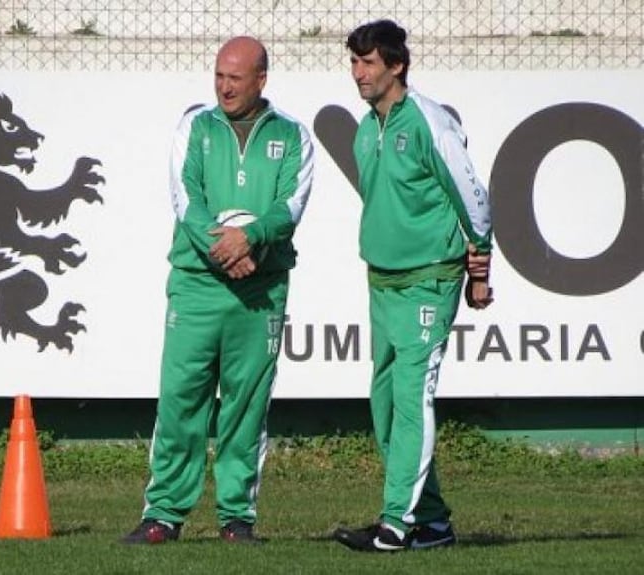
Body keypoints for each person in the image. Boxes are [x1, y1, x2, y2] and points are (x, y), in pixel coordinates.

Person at [120, 36, 314, 545]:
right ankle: (163, 514)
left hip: (260, 291)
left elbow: (289, 207)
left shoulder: (294, 135)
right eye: (219, 76)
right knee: (180, 400)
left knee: (245, 407)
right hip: (198, 287)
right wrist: (227, 249)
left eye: (236, 78)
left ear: (261, 79)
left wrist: (250, 238)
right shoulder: (195, 126)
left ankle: (236, 519)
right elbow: (186, 200)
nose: (225, 87)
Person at [333, 19, 493, 552]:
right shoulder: (363, 128)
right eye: (354, 62)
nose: (359, 73)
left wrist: (479, 270)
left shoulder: (430, 122)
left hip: (430, 278)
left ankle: (395, 526)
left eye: (369, 63)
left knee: (411, 399)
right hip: (382, 280)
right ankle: (434, 524)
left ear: (396, 65)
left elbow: (474, 198)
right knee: (384, 405)